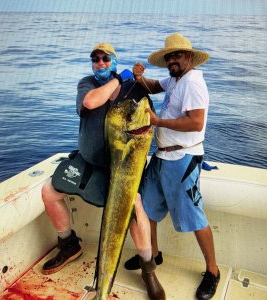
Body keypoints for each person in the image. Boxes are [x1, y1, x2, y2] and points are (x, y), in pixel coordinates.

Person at [41, 42, 165, 300]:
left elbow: (148, 120)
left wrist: (137, 82)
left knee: (136, 209)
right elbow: (90, 102)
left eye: (106, 59)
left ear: (114, 60)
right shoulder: (87, 84)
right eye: (96, 59)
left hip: (120, 168)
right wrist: (118, 78)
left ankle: (148, 269)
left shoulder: (134, 89)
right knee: (49, 191)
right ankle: (68, 245)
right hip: (87, 163)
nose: (100, 64)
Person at [124, 33, 220, 300]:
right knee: (147, 208)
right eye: (169, 57)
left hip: (183, 159)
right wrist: (138, 77)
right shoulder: (176, 79)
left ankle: (212, 271)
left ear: (189, 57)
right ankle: (153, 255)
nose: (172, 60)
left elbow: (196, 122)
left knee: (195, 217)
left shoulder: (193, 82)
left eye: (177, 55)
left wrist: (157, 122)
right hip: (161, 158)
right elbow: (154, 86)